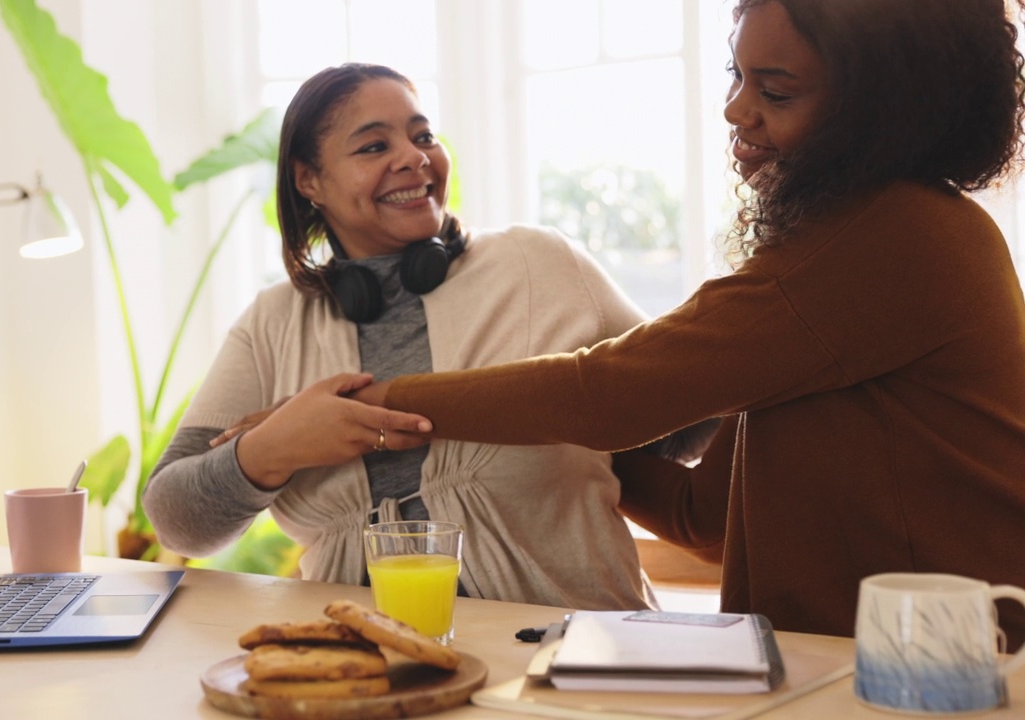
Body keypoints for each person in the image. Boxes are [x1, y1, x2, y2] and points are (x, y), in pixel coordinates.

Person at [355, 0, 1025, 649]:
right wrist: (543, 439)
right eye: (738, 75)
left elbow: (607, 394)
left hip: (945, 670)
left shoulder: (894, 237)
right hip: (848, 667)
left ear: (883, 113)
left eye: (778, 91)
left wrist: (378, 405)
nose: (736, 110)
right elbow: (702, 517)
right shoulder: (851, 246)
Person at [143, 63, 709, 610]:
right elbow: (174, 518)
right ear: (309, 179)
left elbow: (683, 425)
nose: (414, 158)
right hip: (361, 667)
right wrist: (273, 448)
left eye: (423, 136)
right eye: (373, 146)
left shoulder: (540, 263)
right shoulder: (273, 322)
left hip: (570, 655)